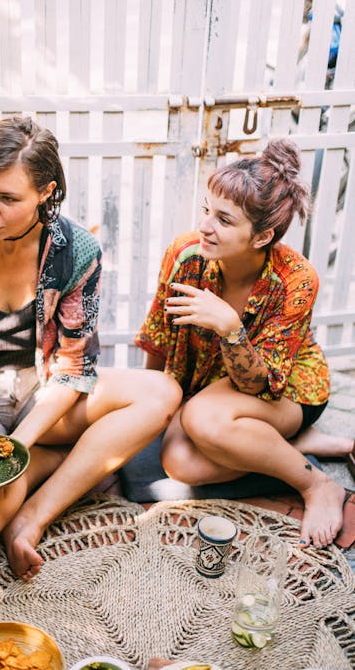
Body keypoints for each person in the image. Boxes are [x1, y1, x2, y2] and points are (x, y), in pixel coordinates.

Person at [0, 115, 182, 579]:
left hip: (44, 394)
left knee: (161, 392)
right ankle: (71, 461)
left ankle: (32, 516)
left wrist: (17, 448)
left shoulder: (76, 251)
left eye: (8, 198)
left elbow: (74, 366)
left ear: (46, 192)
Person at [136, 139, 352, 549]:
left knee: (203, 420)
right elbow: (158, 335)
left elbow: (261, 384)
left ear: (262, 235)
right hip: (214, 390)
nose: (205, 226)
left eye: (224, 219)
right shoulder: (186, 254)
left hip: (286, 388)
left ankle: (318, 485)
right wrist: (154, 406)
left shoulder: (295, 280)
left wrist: (231, 328)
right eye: (206, 210)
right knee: (177, 460)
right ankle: (275, 447)